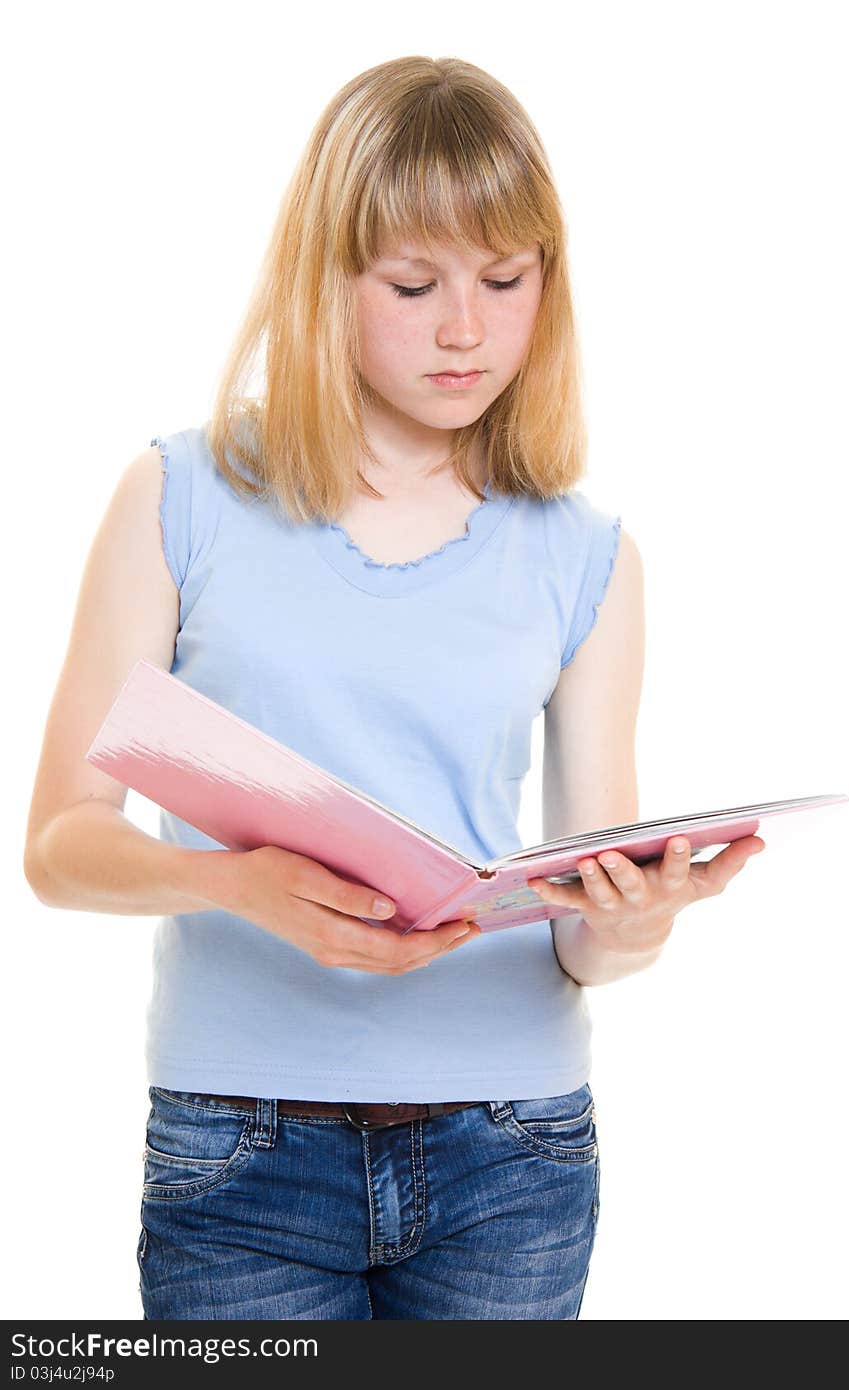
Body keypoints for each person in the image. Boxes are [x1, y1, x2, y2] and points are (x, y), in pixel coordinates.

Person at [22, 55, 764, 1322]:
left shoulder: (586, 556)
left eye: (505, 280)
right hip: (240, 1151)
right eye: (414, 284)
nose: (465, 329)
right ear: (328, 278)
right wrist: (229, 882)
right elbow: (56, 845)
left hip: (510, 1158)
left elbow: (586, 927)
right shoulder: (181, 496)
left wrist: (634, 921)